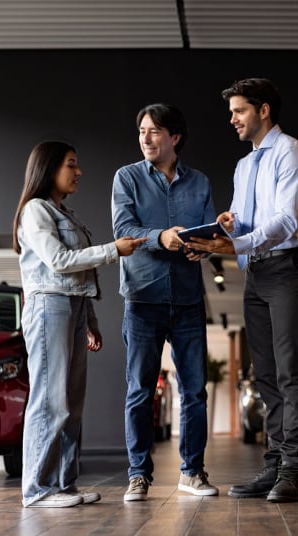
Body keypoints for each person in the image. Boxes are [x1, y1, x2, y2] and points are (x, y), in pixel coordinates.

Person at [185, 78, 298, 503]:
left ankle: (293, 470)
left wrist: (239, 243)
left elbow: (285, 220)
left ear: (263, 110)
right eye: (231, 112)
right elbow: (246, 223)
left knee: (290, 370)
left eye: (239, 111)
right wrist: (220, 233)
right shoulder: (245, 166)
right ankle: (275, 464)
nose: (232, 119)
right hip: (257, 272)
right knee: (266, 374)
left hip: (287, 268)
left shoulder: (292, 153)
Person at [12, 140, 145, 508]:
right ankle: (38, 490)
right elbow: (59, 260)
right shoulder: (35, 211)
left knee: (71, 405)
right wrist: (113, 249)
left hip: (72, 307)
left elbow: (78, 274)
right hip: (48, 307)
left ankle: (63, 485)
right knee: (49, 401)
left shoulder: (66, 214)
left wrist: (90, 320)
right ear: (48, 168)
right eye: (71, 164)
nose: (78, 172)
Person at [111, 103, 219, 502]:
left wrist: (202, 247)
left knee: (195, 392)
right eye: (142, 130)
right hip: (143, 299)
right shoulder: (126, 178)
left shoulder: (200, 182)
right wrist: (162, 237)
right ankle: (138, 474)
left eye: (154, 131)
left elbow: (208, 234)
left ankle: (192, 472)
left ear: (175, 137)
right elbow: (124, 228)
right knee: (140, 391)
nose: (145, 138)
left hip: (188, 299)